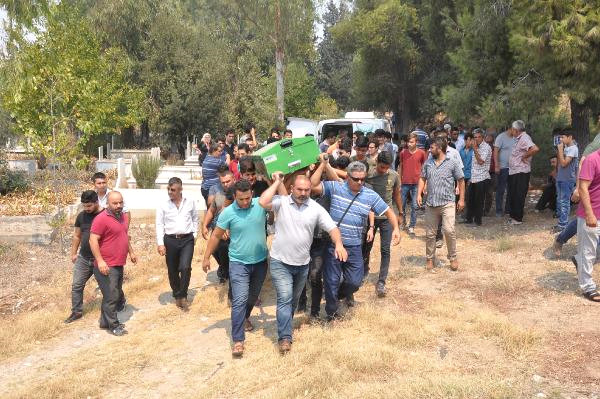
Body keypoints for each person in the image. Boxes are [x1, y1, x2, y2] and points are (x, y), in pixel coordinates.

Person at [259, 173, 346, 352]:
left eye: (307, 190)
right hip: (280, 261)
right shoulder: (281, 202)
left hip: (302, 264)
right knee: (285, 297)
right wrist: (277, 182)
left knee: (292, 300)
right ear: (292, 189)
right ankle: (284, 338)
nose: (303, 193)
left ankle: (286, 325)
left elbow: (332, 228)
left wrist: (338, 244)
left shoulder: (315, 208)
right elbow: (262, 202)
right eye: (299, 189)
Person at [310, 158, 400, 320]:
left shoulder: (370, 195)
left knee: (355, 281)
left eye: (362, 179)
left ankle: (338, 295)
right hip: (333, 245)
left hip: (354, 246)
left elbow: (388, 211)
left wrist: (396, 228)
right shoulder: (336, 187)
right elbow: (313, 184)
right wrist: (323, 165)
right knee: (331, 280)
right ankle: (331, 312)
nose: (360, 182)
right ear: (347, 177)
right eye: (356, 179)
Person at [202, 180, 269, 357]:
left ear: (251, 193)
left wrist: (275, 180)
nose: (245, 202)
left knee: (252, 297)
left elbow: (282, 196)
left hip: (260, 262)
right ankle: (238, 340)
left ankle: (245, 316)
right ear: (235, 197)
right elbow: (216, 236)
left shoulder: (260, 204)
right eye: (241, 199)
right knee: (239, 300)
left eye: (248, 198)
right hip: (238, 263)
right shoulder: (228, 213)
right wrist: (206, 256)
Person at [89, 191, 137, 336]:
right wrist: (100, 261)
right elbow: (93, 240)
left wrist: (131, 252)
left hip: (118, 263)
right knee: (112, 296)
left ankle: (105, 322)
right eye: (115, 203)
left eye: (120, 202)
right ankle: (113, 325)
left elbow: (123, 236)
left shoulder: (122, 217)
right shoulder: (101, 219)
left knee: (113, 294)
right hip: (106, 265)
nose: (118, 205)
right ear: (107, 204)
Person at [417, 137, 465, 271]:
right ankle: (430, 259)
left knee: (449, 231)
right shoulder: (428, 163)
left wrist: (461, 199)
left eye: (431, 147)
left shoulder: (452, 163)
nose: (429, 150)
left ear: (439, 148)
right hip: (431, 204)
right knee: (430, 234)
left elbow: (461, 180)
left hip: (447, 203)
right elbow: (422, 178)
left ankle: (453, 257)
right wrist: (418, 194)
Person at [363, 151, 402, 297]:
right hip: (369, 216)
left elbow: (397, 194)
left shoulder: (394, 176)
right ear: (377, 162)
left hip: (386, 218)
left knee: (385, 250)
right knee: (366, 247)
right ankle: (363, 271)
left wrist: (401, 213)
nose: (384, 170)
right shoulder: (368, 174)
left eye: (386, 167)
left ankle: (381, 281)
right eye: (381, 167)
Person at [156, 177, 199, 311]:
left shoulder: (190, 202)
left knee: (185, 267)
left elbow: (195, 218)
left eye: (173, 189)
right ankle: (177, 294)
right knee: (172, 269)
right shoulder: (163, 204)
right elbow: (159, 224)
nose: (170, 192)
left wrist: (195, 234)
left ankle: (183, 295)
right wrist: (160, 243)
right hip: (170, 240)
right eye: (168, 189)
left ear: (180, 189)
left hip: (187, 239)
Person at [64, 190, 103, 324]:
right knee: (76, 285)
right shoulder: (81, 216)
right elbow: (77, 236)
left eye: (89, 206)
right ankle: (77, 312)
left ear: (96, 202)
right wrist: (73, 253)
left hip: (101, 260)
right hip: (84, 258)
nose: (86, 209)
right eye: (84, 206)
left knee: (108, 286)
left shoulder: (105, 215)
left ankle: (119, 302)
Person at [573, 148, 600, 302]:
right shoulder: (592, 159)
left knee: (591, 253)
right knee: (588, 252)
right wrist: (590, 214)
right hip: (592, 214)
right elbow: (583, 188)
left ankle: (579, 260)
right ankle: (588, 287)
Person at [202, 168, 235, 287]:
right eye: (223, 182)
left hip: (233, 232)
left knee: (226, 252)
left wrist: (229, 229)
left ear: (234, 179)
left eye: (228, 181)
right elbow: (211, 210)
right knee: (215, 250)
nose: (226, 184)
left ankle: (226, 274)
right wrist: (204, 225)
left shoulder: (240, 194)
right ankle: (223, 269)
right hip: (218, 229)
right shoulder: (219, 195)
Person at [507, 120, 539, 225]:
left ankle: (517, 218)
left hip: (521, 172)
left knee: (519, 194)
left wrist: (525, 156)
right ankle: (513, 216)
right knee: (513, 194)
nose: (511, 130)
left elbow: (535, 149)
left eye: (512, 129)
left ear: (516, 130)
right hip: (514, 171)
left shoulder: (525, 138)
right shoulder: (517, 138)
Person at [398, 133, 427, 235]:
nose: (409, 144)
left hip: (417, 183)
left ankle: (412, 226)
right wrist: (399, 181)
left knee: (415, 206)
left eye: (411, 142)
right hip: (405, 182)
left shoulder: (422, 153)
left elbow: (425, 168)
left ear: (416, 142)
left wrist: (425, 183)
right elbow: (401, 166)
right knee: (402, 204)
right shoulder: (403, 153)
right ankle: (403, 222)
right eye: (408, 142)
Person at [465, 128, 492, 226]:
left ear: (483, 137)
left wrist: (475, 149)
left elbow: (480, 161)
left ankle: (477, 221)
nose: (476, 139)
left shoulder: (486, 147)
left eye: (478, 137)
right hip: (474, 177)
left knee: (479, 201)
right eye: (475, 137)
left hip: (482, 177)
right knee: (470, 199)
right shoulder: (474, 147)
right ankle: (469, 219)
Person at [553, 129, 579, 232]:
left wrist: (560, 150)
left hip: (567, 179)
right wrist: (560, 150)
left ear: (570, 137)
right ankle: (561, 223)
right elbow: (559, 163)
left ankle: (563, 225)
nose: (561, 139)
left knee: (564, 202)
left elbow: (564, 164)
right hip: (560, 178)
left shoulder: (573, 149)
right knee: (559, 201)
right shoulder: (565, 148)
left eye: (563, 137)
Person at [494, 129, 516, 217]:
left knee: (511, 189)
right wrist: (496, 165)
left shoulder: (516, 137)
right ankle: (498, 210)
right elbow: (495, 152)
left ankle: (508, 209)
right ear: (511, 128)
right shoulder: (501, 137)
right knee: (501, 190)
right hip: (503, 168)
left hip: (513, 168)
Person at [484, 132, 496, 216]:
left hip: (492, 173)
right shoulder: (482, 149)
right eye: (487, 141)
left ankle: (486, 210)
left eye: (490, 142)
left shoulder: (495, 150)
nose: (488, 143)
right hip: (483, 173)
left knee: (489, 192)